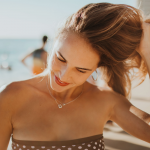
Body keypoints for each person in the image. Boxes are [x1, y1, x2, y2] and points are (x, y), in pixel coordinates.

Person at [0, 3, 150, 150]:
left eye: (81, 70)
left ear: (95, 69)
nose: (64, 76)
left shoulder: (106, 101)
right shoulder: (10, 97)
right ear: (53, 45)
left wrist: (147, 51)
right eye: (60, 58)